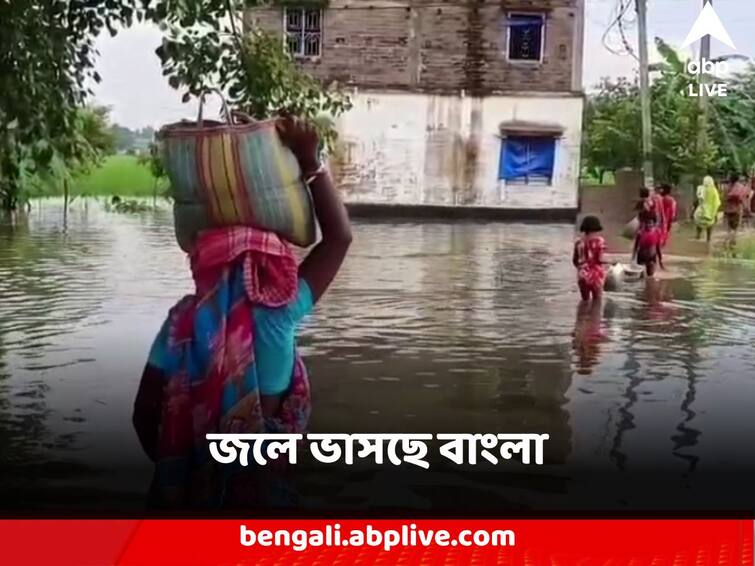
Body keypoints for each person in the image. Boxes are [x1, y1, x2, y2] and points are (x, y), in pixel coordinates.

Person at [132, 116, 353, 509]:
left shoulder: (179, 323)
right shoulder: (279, 312)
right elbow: (339, 238)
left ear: (205, 261)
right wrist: (309, 159)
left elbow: (144, 418)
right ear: (272, 260)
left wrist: (187, 467)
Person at [573, 215, 607, 303]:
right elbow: (600, 259)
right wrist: (610, 262)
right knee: (597, 301)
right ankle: (592, 316)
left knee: (584, 301)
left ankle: (583, 315)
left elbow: (575, 260)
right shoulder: (600, 241)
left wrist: (581, 268)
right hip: (596, 275)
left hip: (582, 274)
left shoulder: (578, 242)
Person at [632, 208, 664, 278]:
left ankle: (649, 287)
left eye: (650, 223)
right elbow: (636, 246)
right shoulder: (640, 233)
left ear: (653, 224)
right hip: (641, 257)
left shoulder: (657, 233)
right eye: (646, 223)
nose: (648, 225)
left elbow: (658, 247)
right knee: (641, 276)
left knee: (650, 276)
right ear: (644, 223)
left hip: (651, 258)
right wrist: (633, 258)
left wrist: (660, 260)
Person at [723, 174, 750, 243]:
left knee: (729, 227)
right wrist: (746, 209)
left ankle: (727, 240)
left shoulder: (726, 187)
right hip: (737, 209)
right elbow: (742, 199)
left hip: (728, 210)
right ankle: (732, 241)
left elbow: (724, 198)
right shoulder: (740, 187)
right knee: (735, 227)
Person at [693, 175, 721, 243]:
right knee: (710, 225)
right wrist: (715, 212)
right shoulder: (714, 190)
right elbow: (717, 202)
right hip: (711, 211)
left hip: (701, 210)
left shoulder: (701, 188)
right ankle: (708, 239)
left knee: (698, 223)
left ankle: (697, 237)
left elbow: (698, 198)